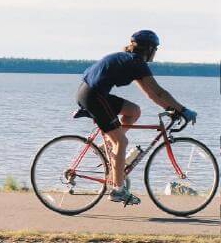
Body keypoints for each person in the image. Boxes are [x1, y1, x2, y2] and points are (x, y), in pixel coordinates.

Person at [76, 30, 197, 205]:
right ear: (148, 49)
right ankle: (118, 190)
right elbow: (158, 92)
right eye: (155, 49)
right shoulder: (136, 63)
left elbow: (153, 95)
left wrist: (173, 108)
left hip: (90, 92)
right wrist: (183, 110)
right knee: (121, 143)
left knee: (133, 111)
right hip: (94, 96)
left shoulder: (131, 61)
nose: (156, 52)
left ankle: (106, 147)